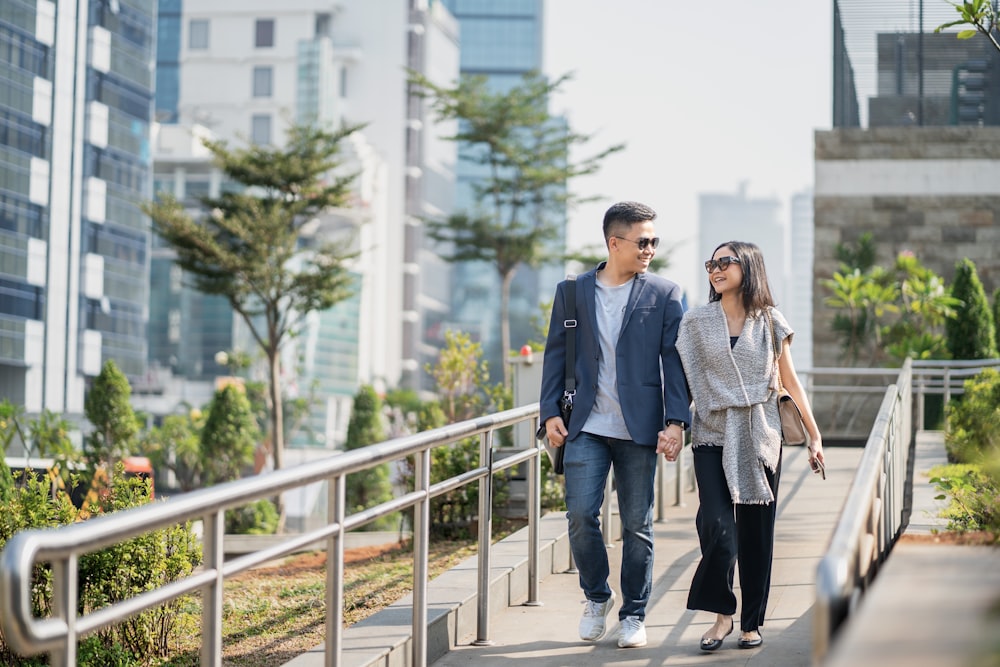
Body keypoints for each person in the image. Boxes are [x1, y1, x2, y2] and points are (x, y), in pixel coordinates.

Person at [538, 201, 691, 649]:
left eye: (654, 241)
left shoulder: (665, 294)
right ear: (614, 242)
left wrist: (677, 421)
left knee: (637, 526)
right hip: (585, 423)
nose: (650, 249)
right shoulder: (572, 291)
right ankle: (596, 598)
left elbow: (674, 363)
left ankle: (634, 614)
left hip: (640, 428)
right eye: (642, 241)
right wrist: (549, 412)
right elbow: (554, 354)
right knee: (581, 515)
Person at [663, 240, 825, 651]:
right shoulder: (696, 322)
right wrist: (674, 425)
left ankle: (750, 623)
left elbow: (790, 381)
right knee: (716, 526)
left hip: (760, 433)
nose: (715, 270)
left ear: (748, 266)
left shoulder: (770, 320)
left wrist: (814, 434)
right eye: (710, 264)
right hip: (712, 431)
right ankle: (722, 613)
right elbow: (680, 379)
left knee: (756, 535)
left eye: (724, 262)